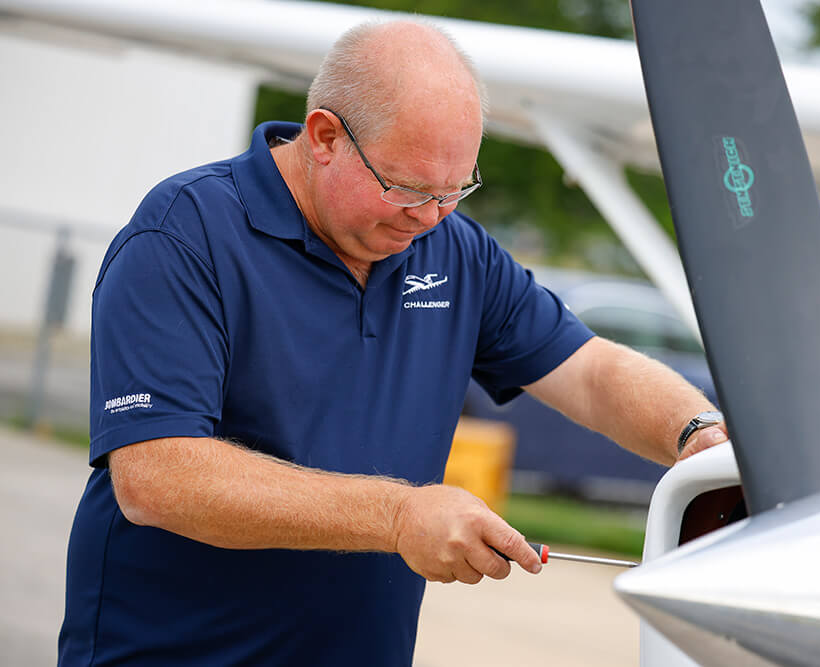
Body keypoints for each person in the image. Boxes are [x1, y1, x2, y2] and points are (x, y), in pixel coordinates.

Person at [58, 19, 728, 666]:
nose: (430, 216)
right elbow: (159, 477)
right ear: (325, 137)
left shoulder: (455, 251)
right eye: (407, 188)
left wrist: (700, 436)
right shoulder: (185, 235)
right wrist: (399, 514)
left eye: (455, 189)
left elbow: (589, 370)